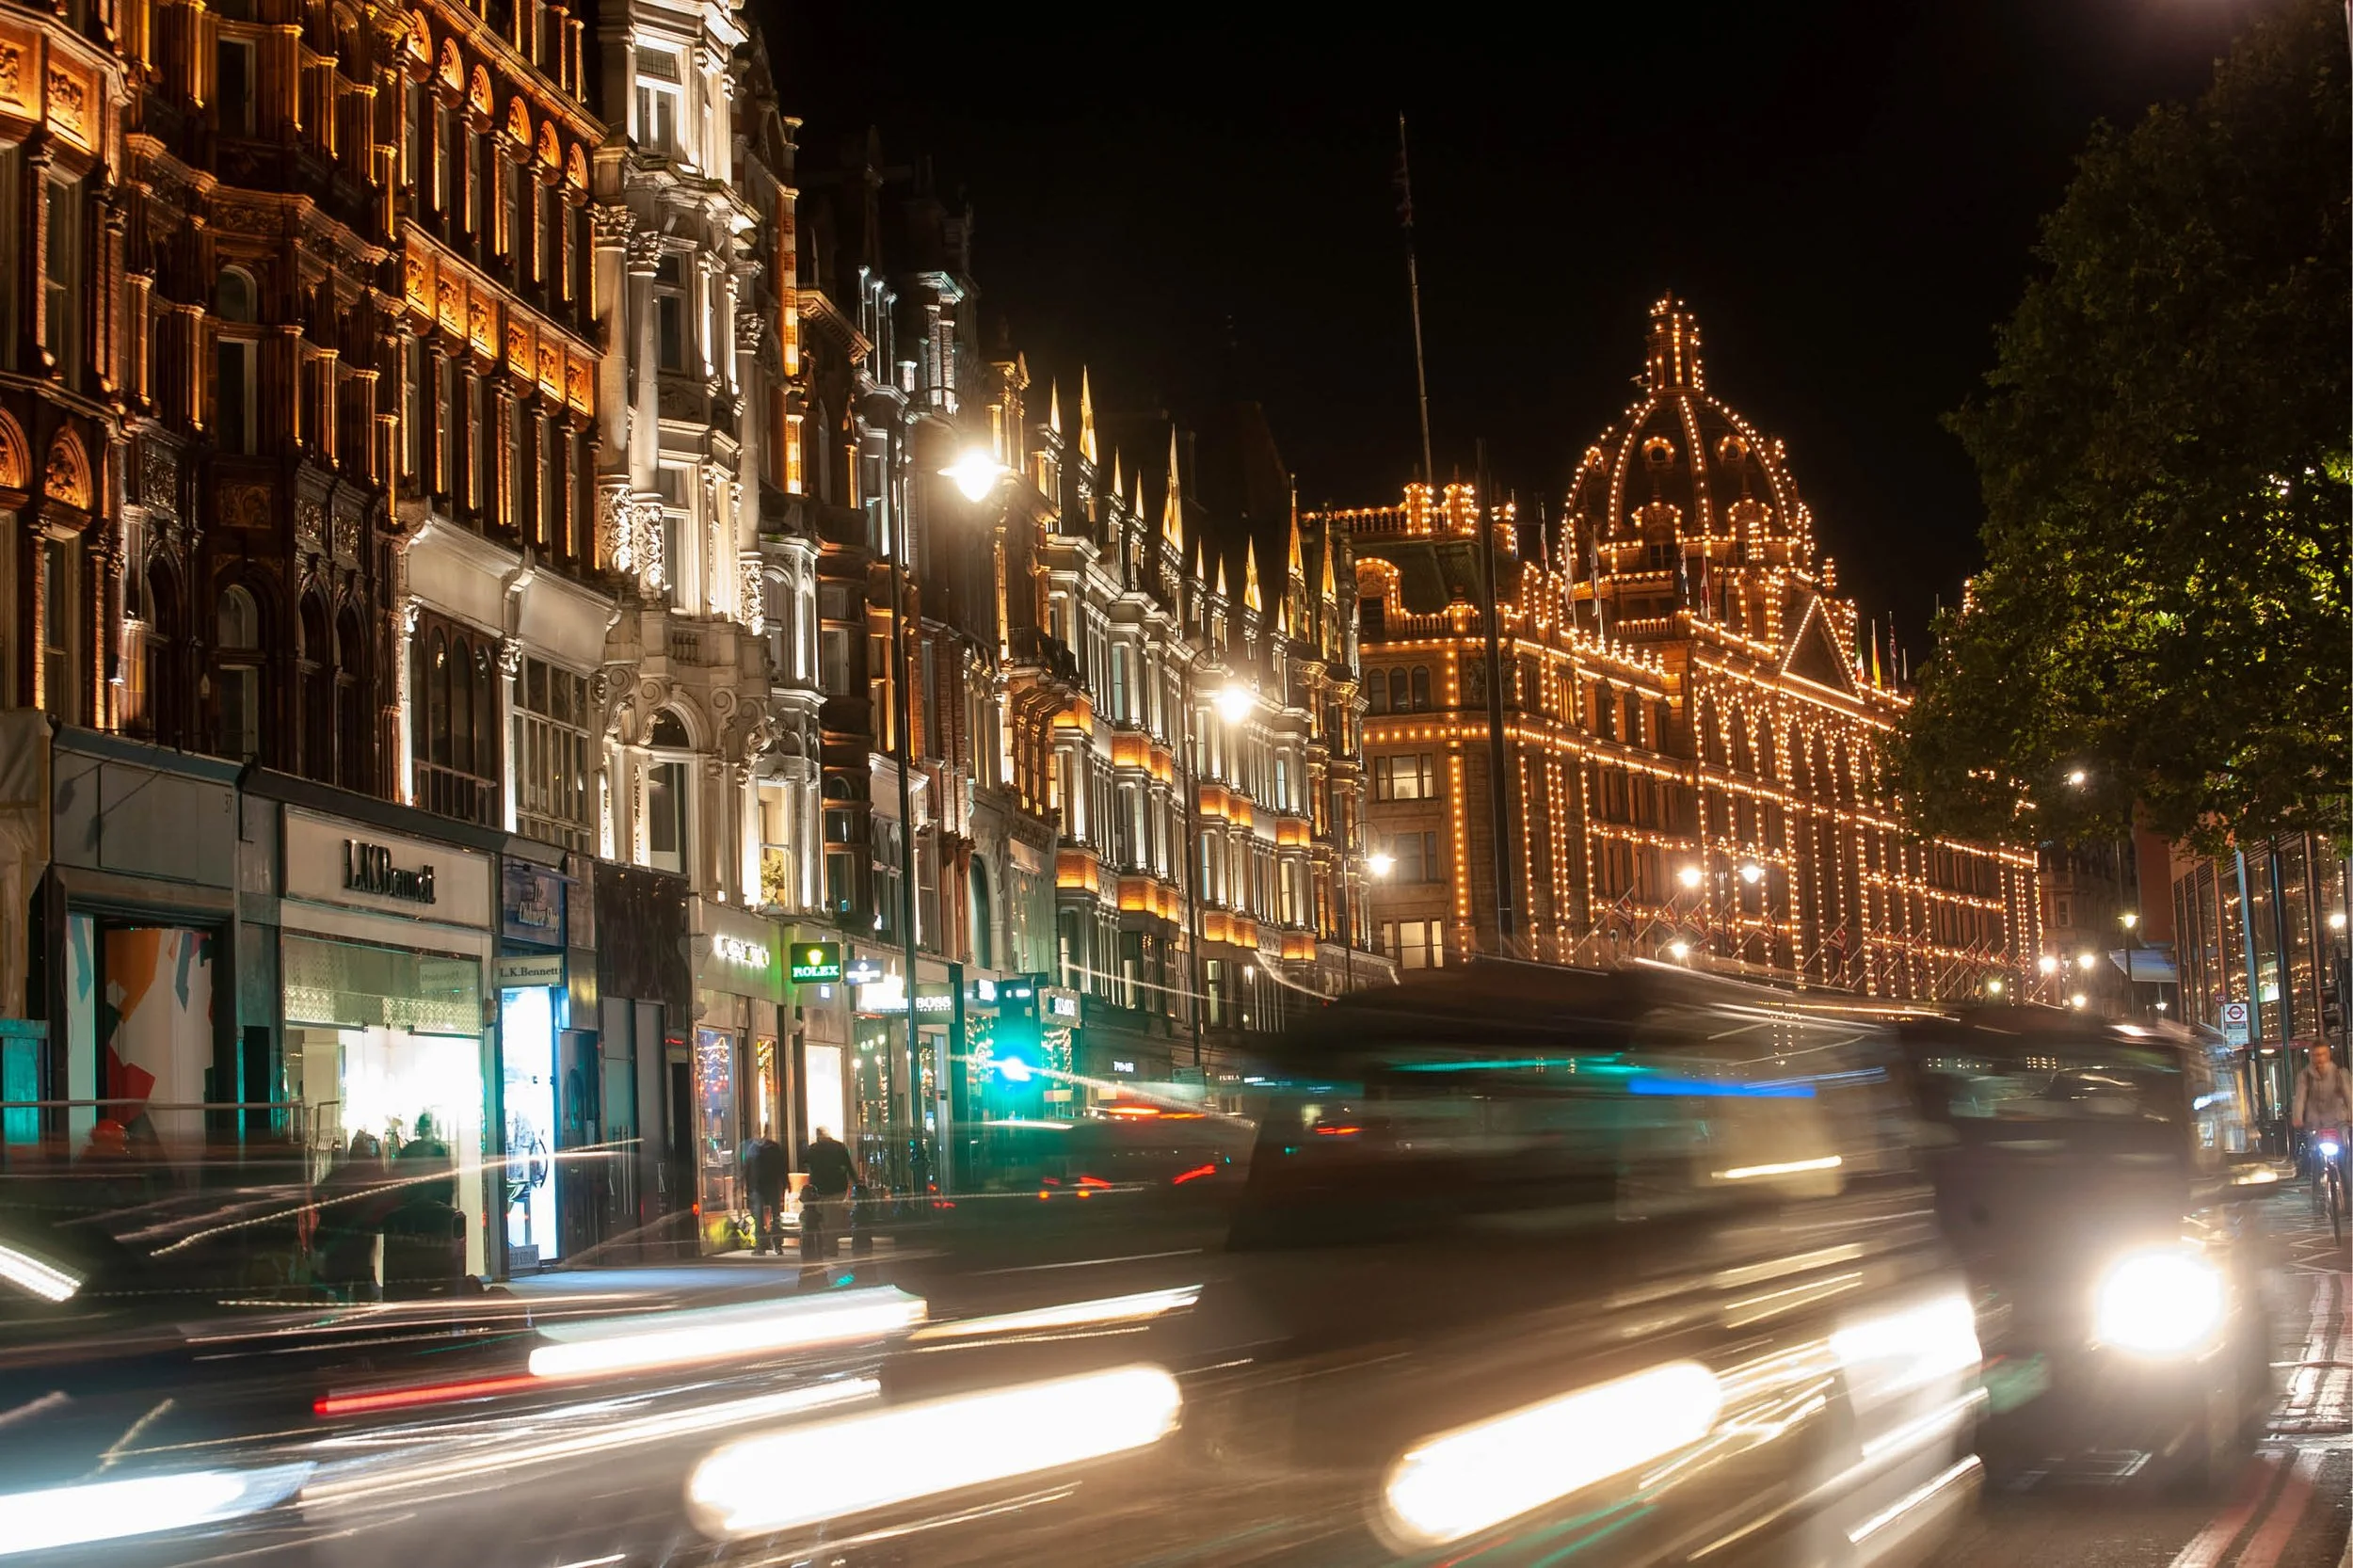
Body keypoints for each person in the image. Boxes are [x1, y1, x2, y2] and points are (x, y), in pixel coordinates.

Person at [800, 1127, 859, 1261]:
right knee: (832, 1219)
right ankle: (831, 1247)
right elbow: (849, 1166)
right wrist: (856, 1181)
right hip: (837, 1188)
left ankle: (824, 1245)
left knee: (820, 1220)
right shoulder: (839, 1147)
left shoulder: (813, 1149)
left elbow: (805, 1163)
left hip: (819, 1189)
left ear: (818, 1136)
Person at [2293, 1043, 2353, 1165]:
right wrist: (2297, 1117)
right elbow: (2300, 1098)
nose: (2319, 1058)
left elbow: (2349, 1095)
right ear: (2310, 1056)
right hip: (2316, 1124)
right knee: (2315, 1158)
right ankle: (2317, 1181)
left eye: (2322, 1054)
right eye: (2315, 1055)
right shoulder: (2305, 1076)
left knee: (2344, 1159)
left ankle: (2347, 1182)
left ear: (2328, 1055)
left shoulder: (2340, 1074)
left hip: (2339, 1122)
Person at [738, 1133, 786, 1254]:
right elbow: (782, 1167)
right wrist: (785, 1183)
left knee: (760, 1218)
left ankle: (761, 1246)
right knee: (775, 1218)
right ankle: (776, 1245)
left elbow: (746, 1168)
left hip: (758, 1187)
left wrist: (742, 1184)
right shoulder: (773, 1148)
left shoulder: (751, 1148)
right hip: (770, 1186)